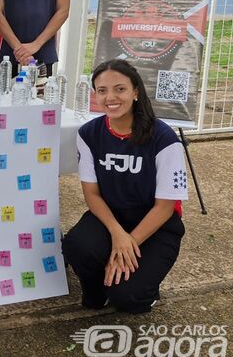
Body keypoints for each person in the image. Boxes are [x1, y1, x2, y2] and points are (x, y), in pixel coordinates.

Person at [61, 59, 187, 313]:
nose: (111, 97)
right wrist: (118, 234)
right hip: (111, 219)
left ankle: (143, 288)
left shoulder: (164, 139)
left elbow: (165, 207)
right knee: (77, 245)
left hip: (156, 226)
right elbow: (92, 195)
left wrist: (129, 242)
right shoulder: (88, 134)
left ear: (135, 92)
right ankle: (98, 289)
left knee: (129, 298)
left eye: (120, 89)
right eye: (102, 90)